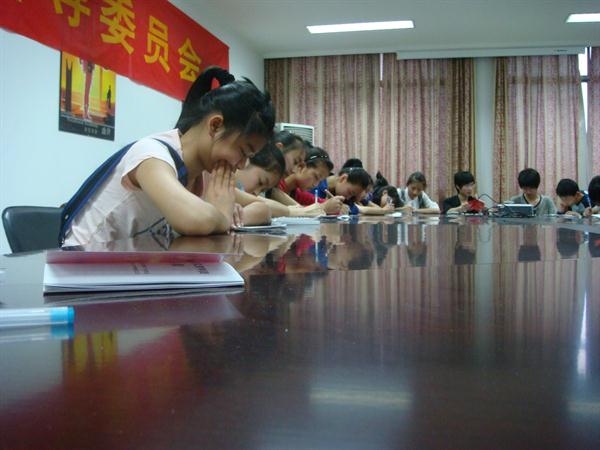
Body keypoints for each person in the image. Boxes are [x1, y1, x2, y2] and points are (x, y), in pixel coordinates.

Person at [61, 66, 274, 246]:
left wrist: (222, 215)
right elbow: (193, 218)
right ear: (215, 125)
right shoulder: (152, 155)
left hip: (129, 270)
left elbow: (262, 210)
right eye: (243, 151)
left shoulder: (206, 173)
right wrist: (221, 216)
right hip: (81, 267)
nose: (241, 165)